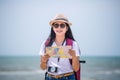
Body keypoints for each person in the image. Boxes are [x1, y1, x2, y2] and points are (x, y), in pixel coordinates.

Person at [39, 14, 81, 80]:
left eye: (62, 25)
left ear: (66, 28)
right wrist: (43, 61)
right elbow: (43, 67)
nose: (59, 28)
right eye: (56, 25)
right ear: (53, 27)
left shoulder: (73, 44)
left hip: (68, 77)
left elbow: (76, 69)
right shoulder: (45, 44)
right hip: (50, 77)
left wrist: (74, 57)